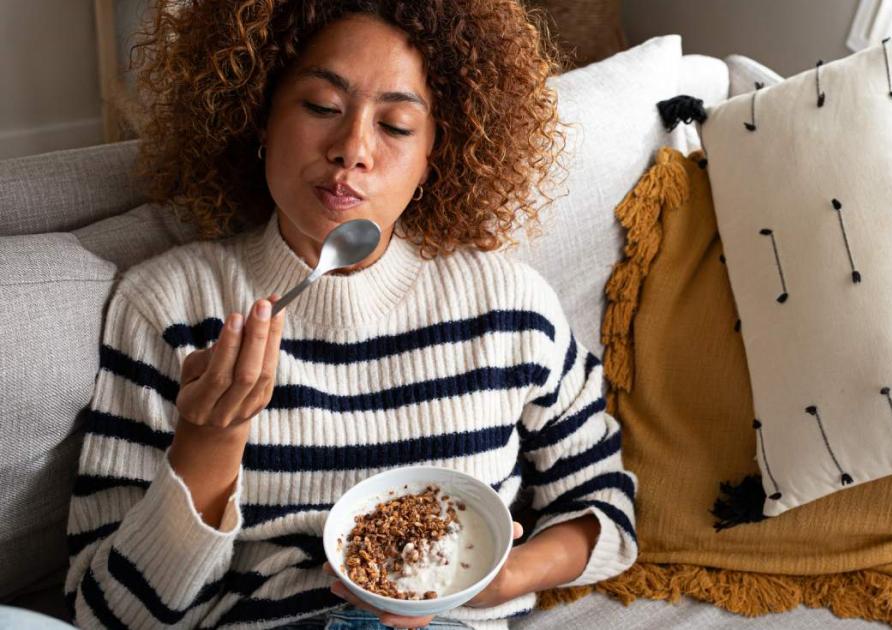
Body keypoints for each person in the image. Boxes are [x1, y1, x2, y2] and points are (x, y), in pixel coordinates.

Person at [64, 1, 637, 628]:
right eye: (320, 107)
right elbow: (107, 616)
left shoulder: (508, 308)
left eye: (394, 125)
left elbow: (604, 507)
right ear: (260, 116)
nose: (352, 149)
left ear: (435, 155)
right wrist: (207, 448)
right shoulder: (168, 307)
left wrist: (507, 578)